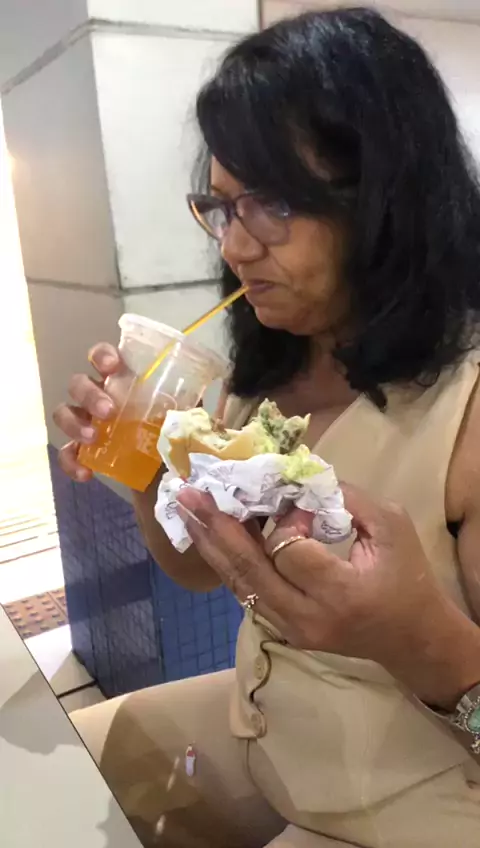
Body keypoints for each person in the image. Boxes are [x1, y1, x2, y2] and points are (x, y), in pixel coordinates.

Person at [53, 8, 480, 847]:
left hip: (414, 799)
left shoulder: (466, 413)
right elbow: (202, 569)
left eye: (274, 203)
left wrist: (419, 639)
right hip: (267, 736)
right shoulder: (272, 364)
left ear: (387, 201)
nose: (236, 247)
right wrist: (146, 462)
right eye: (221, 206)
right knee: (63, 776)